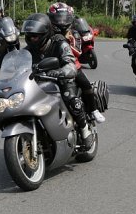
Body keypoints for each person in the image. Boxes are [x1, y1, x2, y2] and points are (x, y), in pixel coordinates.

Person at [21, 11, 94, 149]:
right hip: (38, 82)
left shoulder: (59, 43)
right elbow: (18, 64)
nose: (31, 39)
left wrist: (60, 72)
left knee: (70, 98)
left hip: (61, 79)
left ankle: (85, 131)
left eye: (35, 36)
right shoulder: (28, 50)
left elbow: (71, 64)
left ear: (44, 34)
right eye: (28, 36)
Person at [48, 2, 105, 124]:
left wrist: (65, 42)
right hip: (50, 67)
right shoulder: (48, 33)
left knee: (86, 85)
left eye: (64, 18)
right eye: (59, 18)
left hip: (72, 66)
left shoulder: (74, 34)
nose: (61, 21)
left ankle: (94, 110)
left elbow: (78, 52)